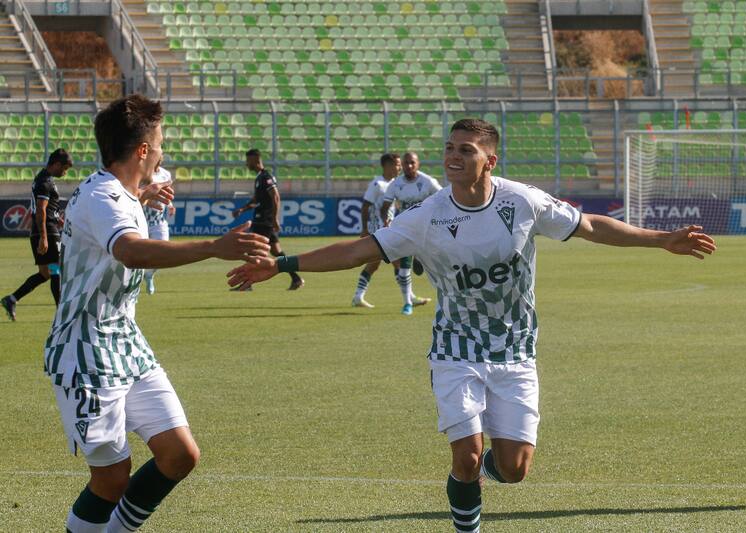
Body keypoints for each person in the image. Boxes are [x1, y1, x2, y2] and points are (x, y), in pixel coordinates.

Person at [226, 118, 717, 533]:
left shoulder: (522, 202)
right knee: (465, 455)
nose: (452, 157)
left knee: (514, 470)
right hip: (455, 348)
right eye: (449, 148)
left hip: (516, 350)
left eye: (466, 150)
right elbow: (359, 249)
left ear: (490, 161)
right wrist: (284, 262)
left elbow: (590, 226)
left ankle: (487, 468)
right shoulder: (427, 215)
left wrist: (660, 239)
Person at [45, 94, 270, 533]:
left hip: (126, 342)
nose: (163, 151)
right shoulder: (103, 196)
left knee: (179, 454)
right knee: (110, 479)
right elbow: (129, 250)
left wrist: (143, 195)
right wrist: (211, 248)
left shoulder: (119, 192)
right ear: (143, 150)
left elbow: (119, 215)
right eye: (160, 143)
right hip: (86, 352)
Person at [1, 149, 72, 321]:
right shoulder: (45, 182)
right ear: (55, 164)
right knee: (56, 269)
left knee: (45, 273)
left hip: (43, 230)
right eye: (64, 168)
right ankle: (62, 313)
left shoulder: (43, 179)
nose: (65, 172)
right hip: (46, 231)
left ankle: (11, 299)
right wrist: (44, 236)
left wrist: (58, 221)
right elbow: (40, 210)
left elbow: (46, 210)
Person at [232, 149, 304, 290]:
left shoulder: (266, 177)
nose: (246, 164)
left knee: (253, 252)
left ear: (256, 159)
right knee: (276, 252)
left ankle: (247, 284)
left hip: (264, 220)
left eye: (248, 160)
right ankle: (296, 279)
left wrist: (275, 219)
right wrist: (242, 209)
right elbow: (256, 200)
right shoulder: (259, 178)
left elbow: (275, 197)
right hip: (264, 220)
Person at [379, 151, 441, 315]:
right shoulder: (396, 183)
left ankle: (420, 259)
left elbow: (444, 198)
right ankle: (407, 303)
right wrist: (386, 220)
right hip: (405, 229)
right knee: (404, 267)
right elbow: (385, 206)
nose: (409, 166)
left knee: (437, 265)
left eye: (412, 163)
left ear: (418, 164)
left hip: (427, 229)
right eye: (406, 163)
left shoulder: (428, 181)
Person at [351, 152, 401, 308]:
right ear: (387, 166)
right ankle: (409, 297)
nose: (399, 167)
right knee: (399, 261)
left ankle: (358, 296)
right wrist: (365, 228)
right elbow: (365, 206)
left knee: (374, 265)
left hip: (387, 228)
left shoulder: (394, 183)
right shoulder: (377, 184)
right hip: (377, 229)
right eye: (397, 164)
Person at [142, 158, 175, 294]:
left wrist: (171, 205)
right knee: (137, 254)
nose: (158, 160)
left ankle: (149, 275)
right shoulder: (143, 174)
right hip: (141, 220)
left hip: (158, 220)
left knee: (162, 253)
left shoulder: (165, 174)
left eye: (160, 158)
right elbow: (136, 193)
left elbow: (167, 192)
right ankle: (133, 287)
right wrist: (149, 202)